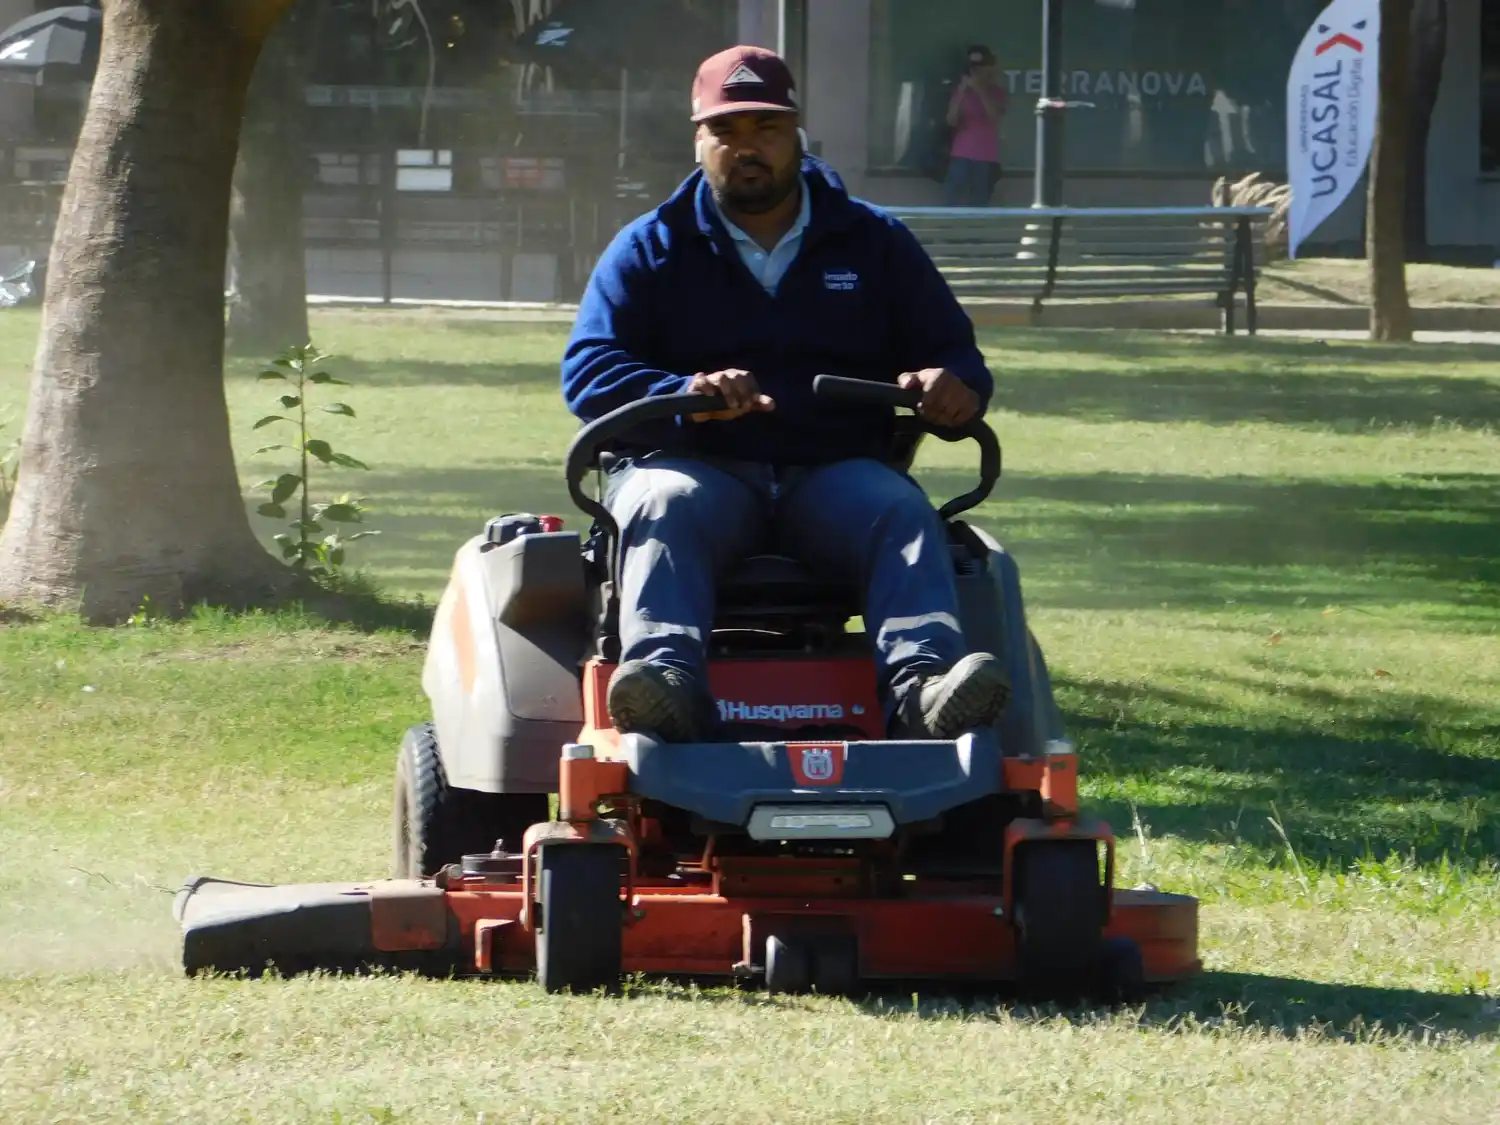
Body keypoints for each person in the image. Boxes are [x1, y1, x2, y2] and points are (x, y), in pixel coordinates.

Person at [561, 45, 1011, 744]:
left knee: (899, 509)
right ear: (698, 141)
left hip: (834, 472)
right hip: (696, 470)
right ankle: (665, 686)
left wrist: (949, 384)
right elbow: (589, 371)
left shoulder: (875, 243)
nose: (748, 149)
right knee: (658, 502)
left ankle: (924, 690)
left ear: (797, 134)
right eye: (727, 132)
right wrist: (683, 393)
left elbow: (954, 353)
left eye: (765, 130)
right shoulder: (650, 247)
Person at [943, 45, 1008, 207]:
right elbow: (951, 120)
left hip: (986, 155)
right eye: (973, 67)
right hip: (961, 153)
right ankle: (950, 229)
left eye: (980, 67)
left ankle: (974, 230)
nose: (976, 71)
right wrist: (962, 91)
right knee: (953, 196)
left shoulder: (996, 92)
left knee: (980, 199)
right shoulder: (961, 92)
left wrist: (980, 90)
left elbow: (994, 116)